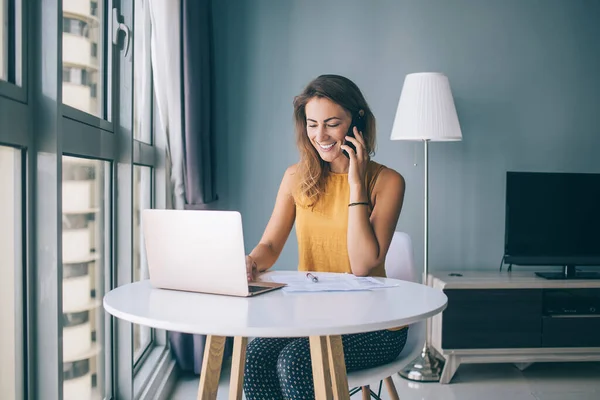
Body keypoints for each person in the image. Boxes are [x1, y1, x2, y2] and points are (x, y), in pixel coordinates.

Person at [243, 74, 408, 400]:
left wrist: (356, 181)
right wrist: (249, 262)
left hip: (374, 326)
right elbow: (271, 245)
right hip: (313, 316)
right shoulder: (295, 177)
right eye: (312, 123)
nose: (320, 135)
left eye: (332, 124)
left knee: (297, 362)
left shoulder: (387, 182)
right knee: (256, 356)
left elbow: (363, 265)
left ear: (356, 122)